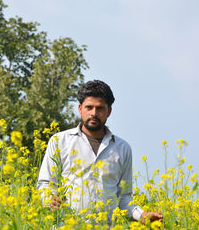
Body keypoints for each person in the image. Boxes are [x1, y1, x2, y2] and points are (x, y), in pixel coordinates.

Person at [37, 80, 163, 224]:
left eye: (100, 108)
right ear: (80, 109)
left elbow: (123, 197)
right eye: (89, 107)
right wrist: (50, 200)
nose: (94, 113)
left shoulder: (122, 148)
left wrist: (142, 216)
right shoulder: (60, 141)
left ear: (109, 111)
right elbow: (45, 183)